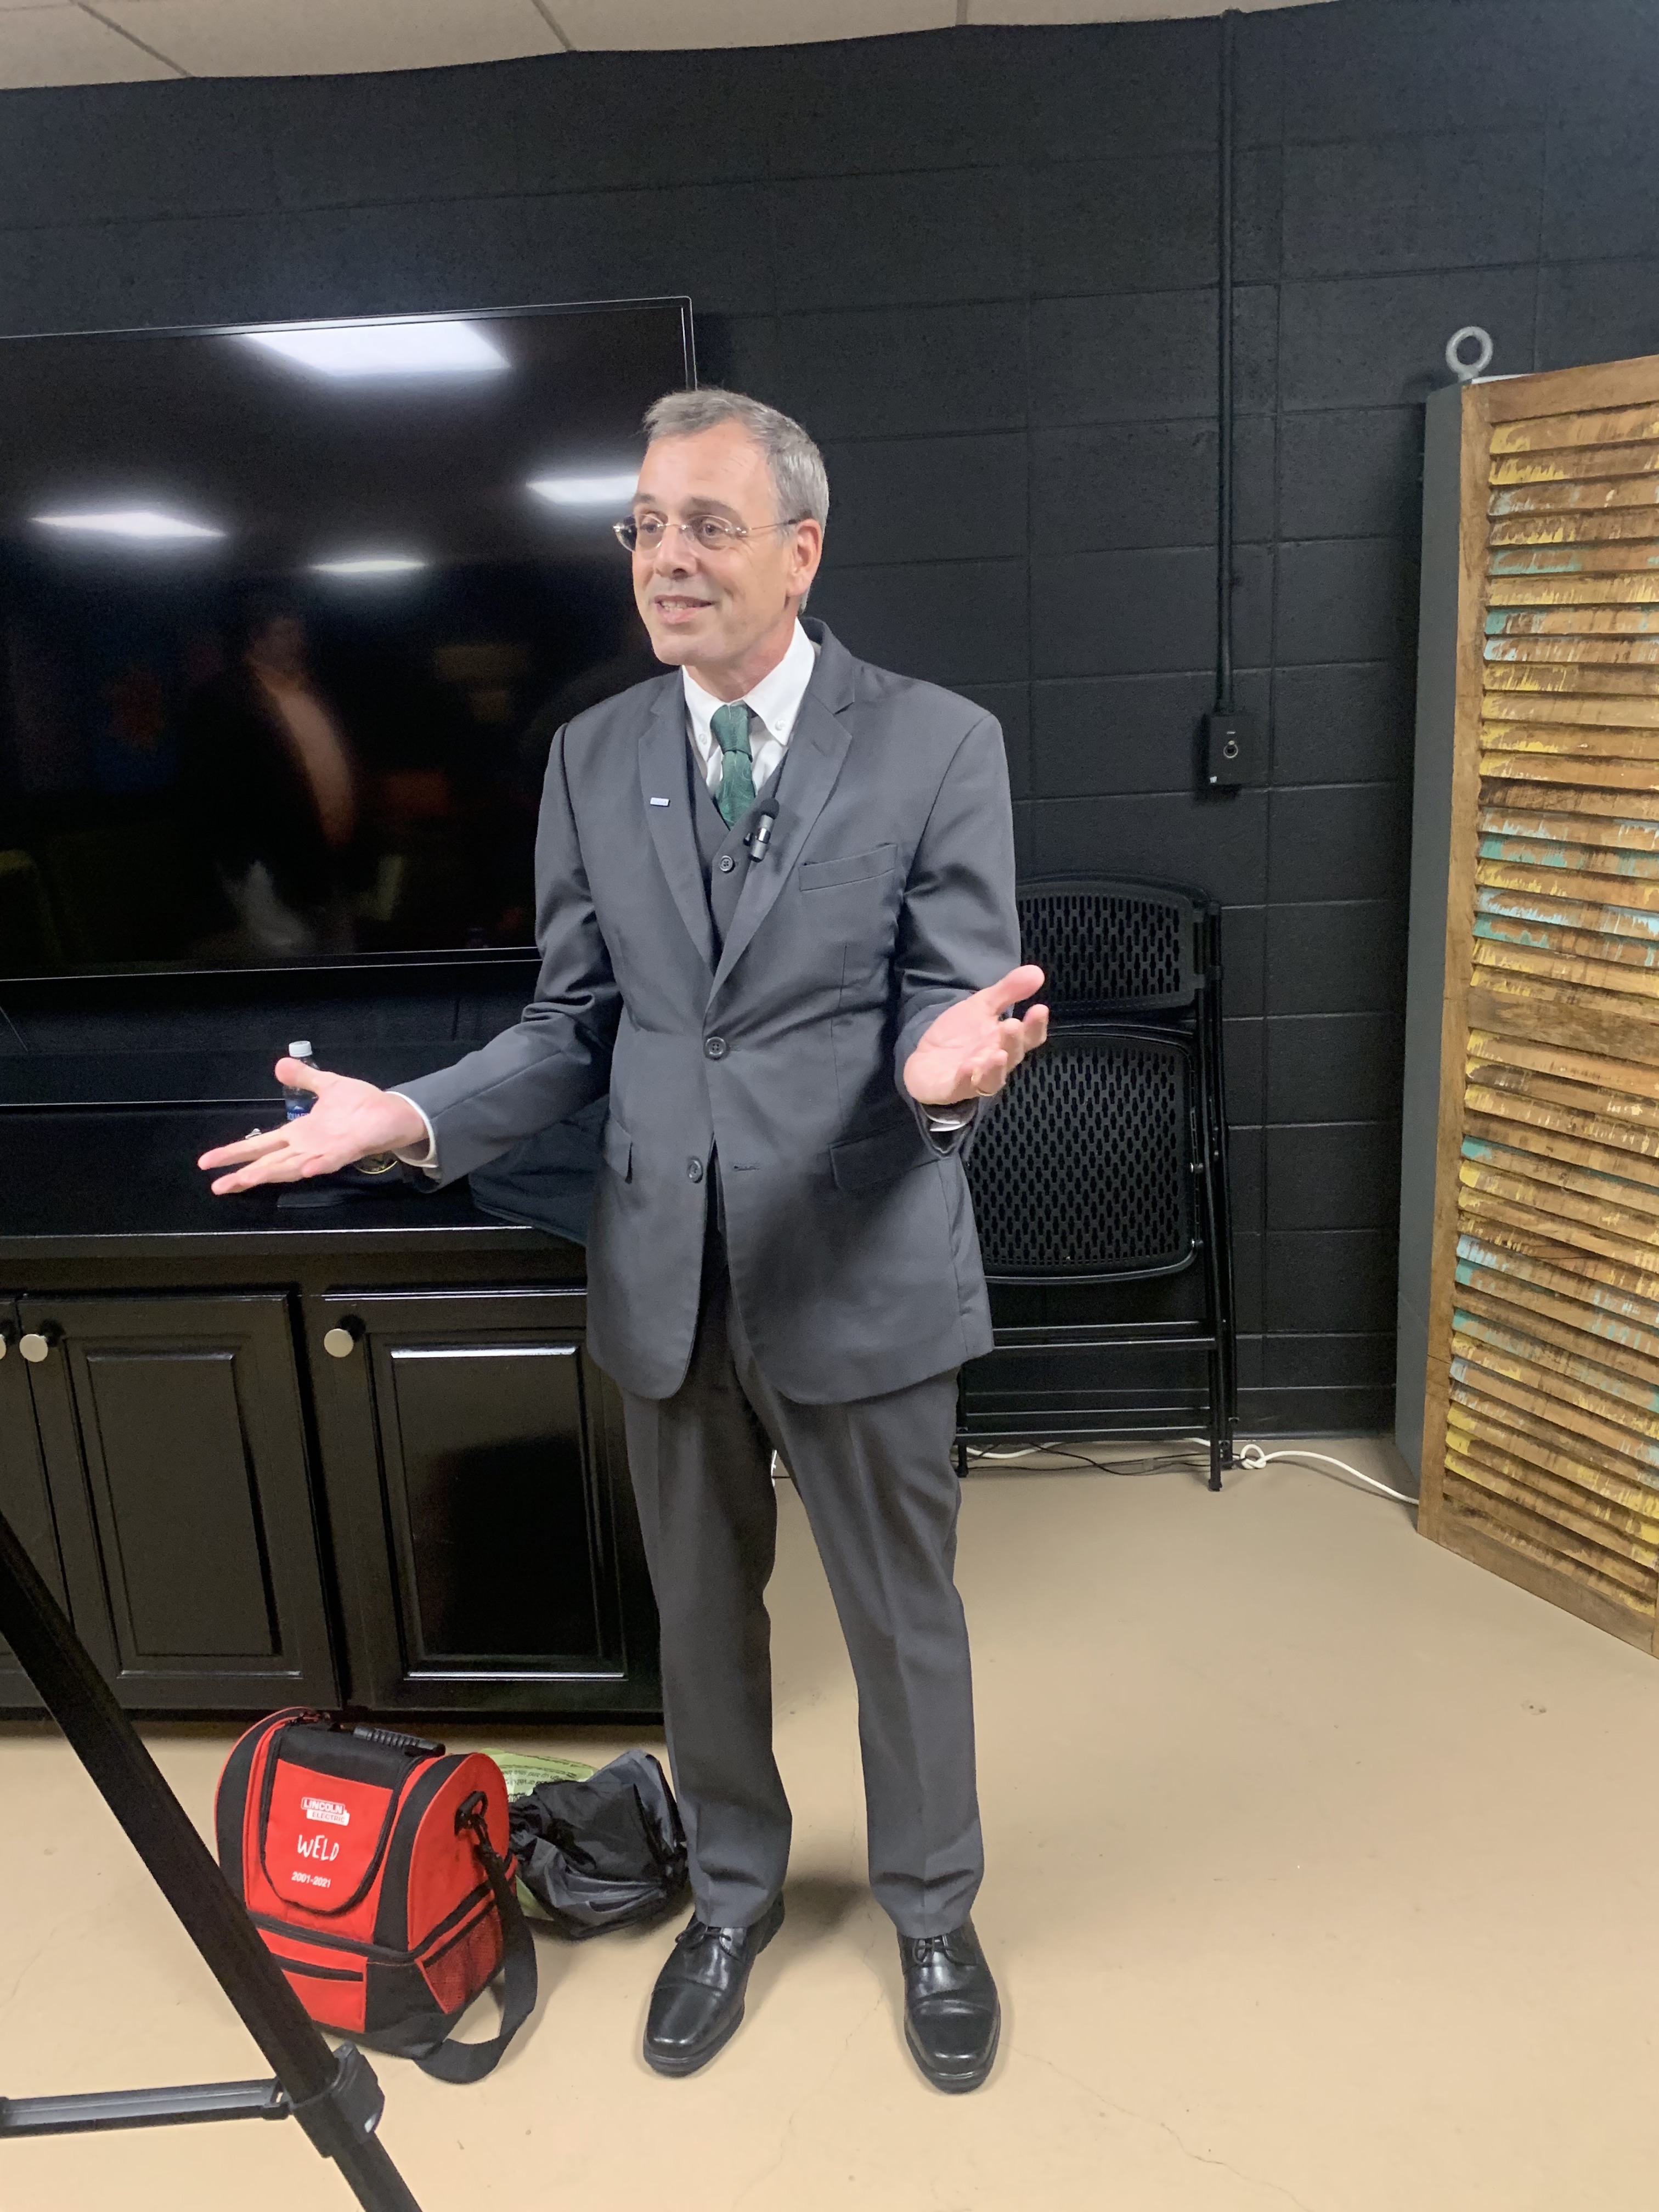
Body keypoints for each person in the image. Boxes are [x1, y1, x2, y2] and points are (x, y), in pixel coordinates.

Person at [198, 388, 1048, 2094]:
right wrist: (412, 1115)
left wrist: (940, 1074)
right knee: (700, 1615)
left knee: (902, 1618)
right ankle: (729, 1895)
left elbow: (954, 1000)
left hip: (862, 1253)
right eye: (646, 526)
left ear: (801, 552)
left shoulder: (937, 743)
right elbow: (572, 1023)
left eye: (707, 525)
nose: (667, 558)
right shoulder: (595, 757)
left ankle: (932, 1913)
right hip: (666, 1266)